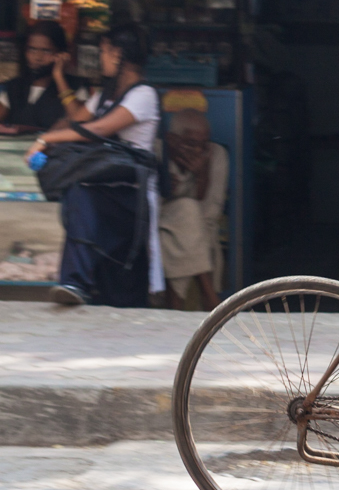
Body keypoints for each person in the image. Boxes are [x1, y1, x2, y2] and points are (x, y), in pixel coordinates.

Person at [25, 24, 164, 307]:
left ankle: (78, 282)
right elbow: (79, 117)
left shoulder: (144, 95)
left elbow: (98, 128)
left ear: (118, 54)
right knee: (78, 194)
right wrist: (60, 78)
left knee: (126, 275)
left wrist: (46, 138)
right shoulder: (106, 94)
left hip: (131, 195)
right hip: (105, 189)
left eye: (103, 52)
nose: (100, 58)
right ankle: (75, 282)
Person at [159, 108, 228, 310]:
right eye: (190, 143)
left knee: (187, 220)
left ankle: (175, 303)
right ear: (171, 139)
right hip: (161, 223)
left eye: (203, 145)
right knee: (186, 217)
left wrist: (201, 176)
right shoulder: (155, 152)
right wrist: (163, 189)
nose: (198, 150)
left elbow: (207, 214)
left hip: (193, 230)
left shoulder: (215, 155)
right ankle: (209, 295)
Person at [0, 21, 85, 134]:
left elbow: (80, 120)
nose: (38, 57)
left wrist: (59, 76)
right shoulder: (14, 86)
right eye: (32, 49)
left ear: (61, 53)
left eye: (46, 51)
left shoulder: (76, 86)